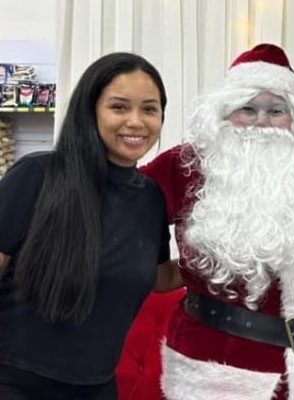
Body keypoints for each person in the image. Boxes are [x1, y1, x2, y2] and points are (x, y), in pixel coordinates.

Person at [140, 43, 294, 400]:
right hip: (213, 366)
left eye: (277, 110)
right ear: (225, 113)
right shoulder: (186, 164)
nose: (261, 121)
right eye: (247, 108)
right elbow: (123, 198)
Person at [0, 52, 181, 400]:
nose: (136, 121)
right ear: (91, 110)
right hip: (14, 382)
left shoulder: (151, 197)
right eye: (119, 107)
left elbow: (160, 277)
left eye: (149, 109)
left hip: (97, 387)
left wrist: (221, 262)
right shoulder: (38, 175)